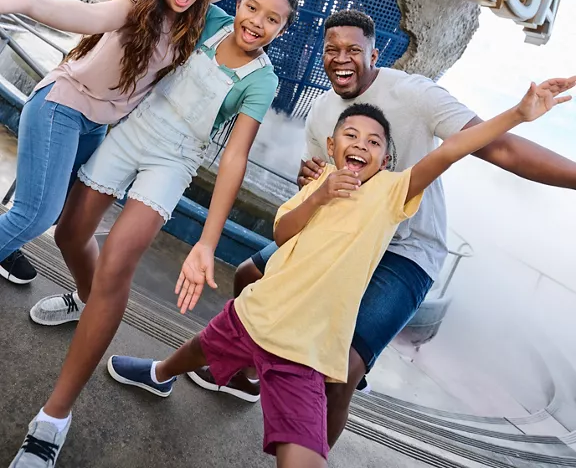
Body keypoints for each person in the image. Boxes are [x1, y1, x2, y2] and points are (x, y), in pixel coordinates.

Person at [102, 83, 571, 468]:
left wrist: (517, 113)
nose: (361, 146)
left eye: (374, 143)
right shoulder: (316, 188)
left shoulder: (391, 194)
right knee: (207, 342)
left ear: (386, 160)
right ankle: (160, 372)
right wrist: (317, 195)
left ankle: (184, 376)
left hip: (308, 350)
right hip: (257, 315)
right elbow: (284, 231)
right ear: (332, 146)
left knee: (303, 452)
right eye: (352, 136)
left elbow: (451, 150)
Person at [192, 9, 576, 443]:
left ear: (376, 53)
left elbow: (498, 148)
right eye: (332, 50)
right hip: (342, 234)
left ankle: (318, 439)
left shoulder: (415, 94)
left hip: (404, 251)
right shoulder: (322, 111)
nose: (342, 59)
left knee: (339, 374)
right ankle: (250, 375)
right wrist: (312, 177)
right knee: (248, 275)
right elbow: (319, 170)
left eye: (354, 50)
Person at [8, 0, 300, 467]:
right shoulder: (210, 19)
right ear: (242, 4)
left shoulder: (263, 79)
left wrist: (207, 241)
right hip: (133, 130)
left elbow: (234, 159)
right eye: (253, 8)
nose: (257, 23)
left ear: (283, 29)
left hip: (176, 160)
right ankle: (84, 296)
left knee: (118, 262)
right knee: (69, 232)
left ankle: (53, 420)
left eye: (273, 20)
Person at [0, 0, 308, 284]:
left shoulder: (198, 8)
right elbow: (91, 16)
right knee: (37, 213)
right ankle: (9, 243)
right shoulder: (136, 2)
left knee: (56, 206)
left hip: (97, 122)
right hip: (64, 106)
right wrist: (27, 2)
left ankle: (7, 247)